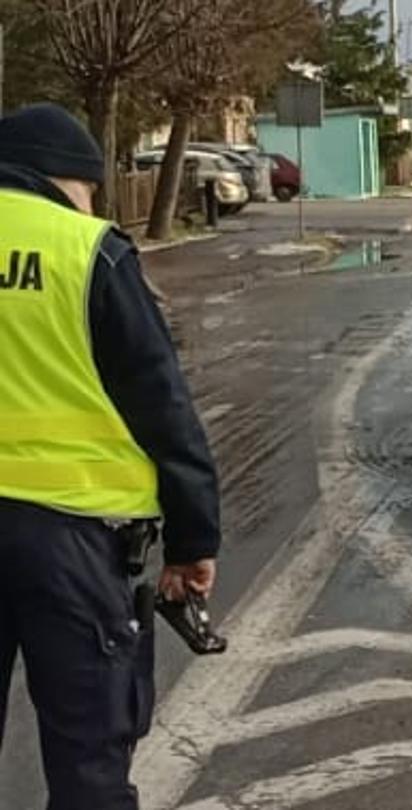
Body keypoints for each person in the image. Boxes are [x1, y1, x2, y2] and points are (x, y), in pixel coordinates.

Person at [0, 103, 221, 809]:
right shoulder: (87, 250)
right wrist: (192, 542)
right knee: (88, 763)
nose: (92, 204)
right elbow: (162, 406)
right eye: (89, 190)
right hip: (69, 540)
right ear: (64, 179)